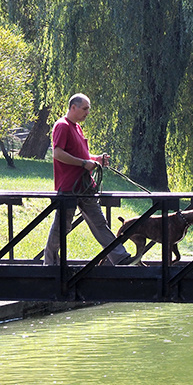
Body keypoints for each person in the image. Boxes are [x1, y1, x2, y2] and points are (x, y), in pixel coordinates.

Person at [42, 93, 132, 266]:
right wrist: (84, 163)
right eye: (84, 109)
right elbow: (58, 153)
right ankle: (50, 264)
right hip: (69, 187)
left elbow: (78, 154)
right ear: (73, 107)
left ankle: (121, 258)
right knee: (62, 227)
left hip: (84, 187)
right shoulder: (62, 125)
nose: (87, 113)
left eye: (88, 109)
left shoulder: (76, 127)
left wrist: (95, 159)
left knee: (99, 223)